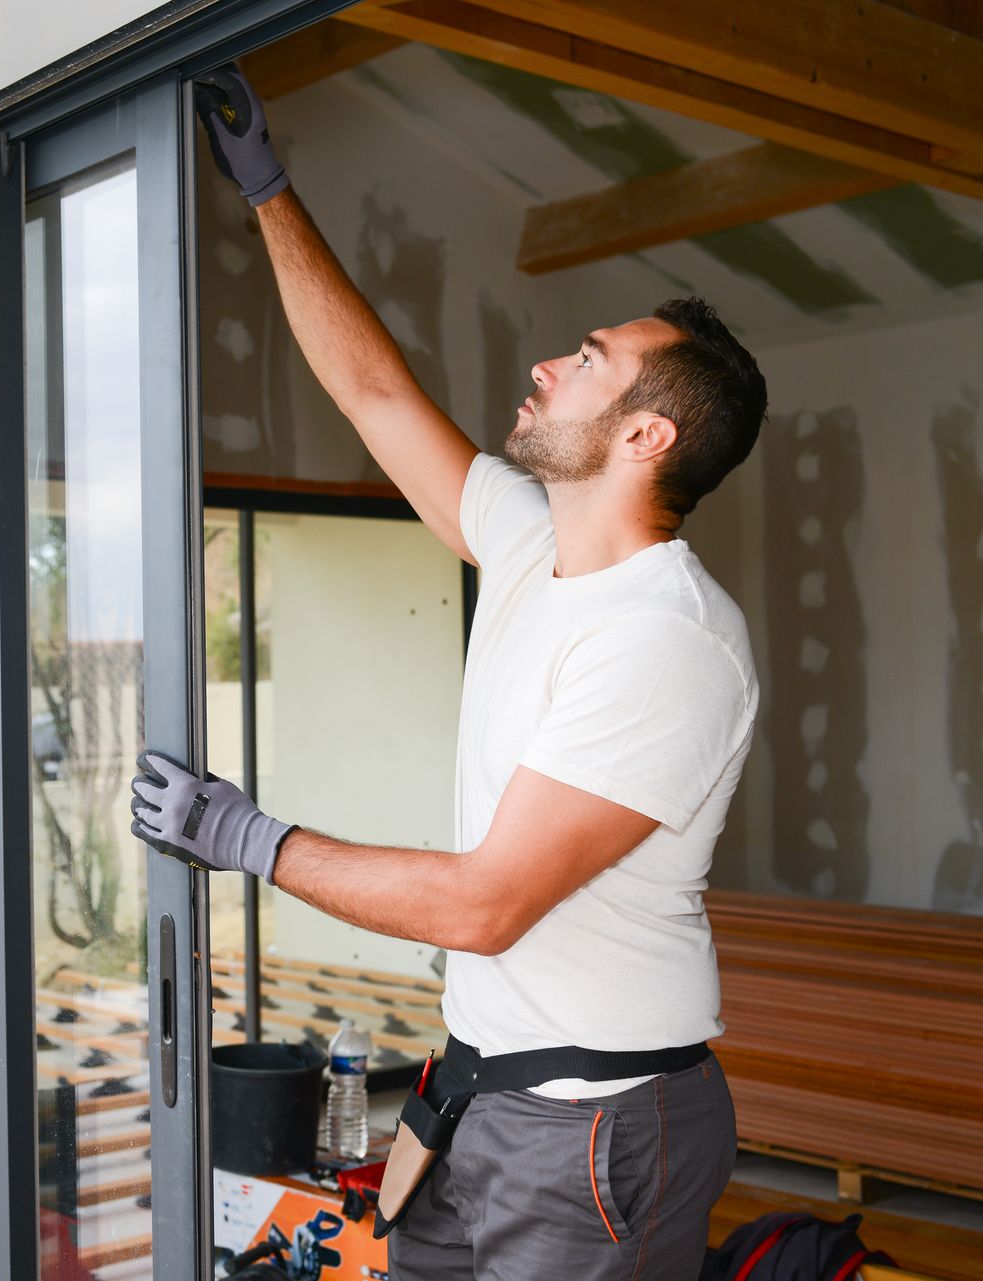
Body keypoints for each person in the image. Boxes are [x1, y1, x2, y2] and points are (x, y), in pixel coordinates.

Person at [130, 66, 769, 1280]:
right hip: (476, 1095)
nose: (547, 367)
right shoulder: (532, 538)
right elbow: (373, 392)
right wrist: (268, 192)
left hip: (594, 1133)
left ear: (646, 436)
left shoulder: (667, 639)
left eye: (587, 360)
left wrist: (247, 839)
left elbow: (487, 903)